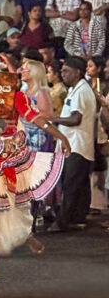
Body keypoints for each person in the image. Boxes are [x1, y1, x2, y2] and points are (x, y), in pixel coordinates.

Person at [0, 56, 69, 256]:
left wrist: (61, 136)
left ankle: (22, 235)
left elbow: (39, 120)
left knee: (13, 198)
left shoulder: (17, 97)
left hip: (9, 155)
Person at [51, 56, 98, 230]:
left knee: (71, 185)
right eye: (62, 71)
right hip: (78, 144)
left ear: (77, 72)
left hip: (76, 145)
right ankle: (77, 218)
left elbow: (76, 118)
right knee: (80, 185)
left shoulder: (81, 91)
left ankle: (63, 221)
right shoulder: (77, 89)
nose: (62, 74)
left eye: (66, 71)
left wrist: (54, 119)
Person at [86, 55, 108, 213]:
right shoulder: (85, 85)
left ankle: (100, 202)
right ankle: (93, 202)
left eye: (91, 66)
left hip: (101, 126)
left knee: (101, 163)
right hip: (89, 127)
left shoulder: (105, 86)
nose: (88, 69)